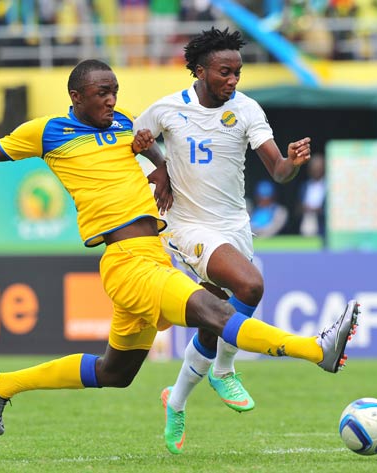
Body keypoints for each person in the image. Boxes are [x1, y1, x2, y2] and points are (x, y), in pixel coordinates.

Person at [0, 59, 358, 444]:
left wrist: (158, 165)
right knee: (215, 309)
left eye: (114, 91)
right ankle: (317, 351)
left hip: (152, 255)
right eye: (100, 93)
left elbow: (152, 150)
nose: (111, 100)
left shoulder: (123, 126)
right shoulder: (47, 132)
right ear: (75, 96)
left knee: (116, 373)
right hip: (126, 262)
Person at [133, 28, 319, 454]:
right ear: (199, 71)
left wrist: (291, 162)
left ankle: (175, 399)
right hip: (188, 225)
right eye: (224, 72)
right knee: (250, 285)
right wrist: (158, 165)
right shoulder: (167, 109)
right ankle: (225, 370)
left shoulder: (248, 110)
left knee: (215, 318)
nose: (233, 80)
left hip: (234, 225)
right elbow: (130, 143)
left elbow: (277, 170)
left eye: (237, 72)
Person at [297, 153, 326, 239]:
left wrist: (319, 210)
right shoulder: (304, 186)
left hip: (323, 229)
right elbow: (297, 209)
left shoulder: (331, 186)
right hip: (306, 227)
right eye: (313, 167)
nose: (316, 170)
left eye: (318, 167)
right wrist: (304, 208)